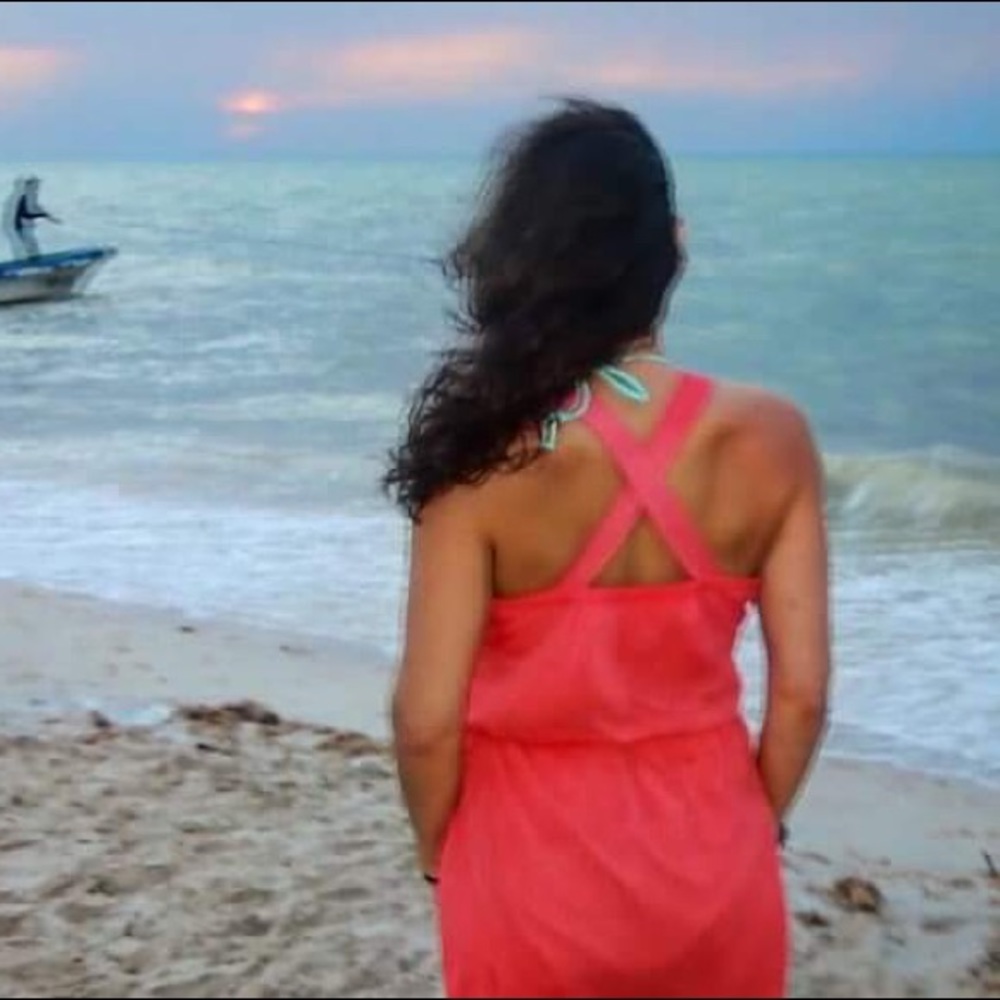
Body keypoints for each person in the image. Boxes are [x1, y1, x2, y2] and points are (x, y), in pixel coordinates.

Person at [385, 98, 830, 999]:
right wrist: (756, 824)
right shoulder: (772, 437)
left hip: (526, 877)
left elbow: (426, 721)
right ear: (674, 244)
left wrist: (443, 855)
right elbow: (802, 696)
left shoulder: (479, 458)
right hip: (713, 869)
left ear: (520, 256)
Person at [2, 176, 61, 259]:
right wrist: (43, 215)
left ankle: (34, 262)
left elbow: (36, 208)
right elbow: (26, 213)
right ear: (29, 185)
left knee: (31, 246)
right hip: (20, 226)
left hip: (24, 225)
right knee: (27, 246)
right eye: (35, 184)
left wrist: (49, 217)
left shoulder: (31, 195)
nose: (37, 186)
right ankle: (30, 264)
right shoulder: (24, 196)